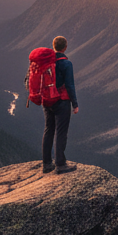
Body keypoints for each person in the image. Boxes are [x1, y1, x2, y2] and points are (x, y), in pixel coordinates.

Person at [42, 36, 79, 174]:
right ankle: (60, 164)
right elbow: (70, 85)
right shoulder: (66, 64)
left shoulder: (45, 62)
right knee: (61, 132)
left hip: (47, 100)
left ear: (53, 46)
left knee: (48, 129)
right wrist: (75, 104)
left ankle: (46, 164)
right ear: (65, 47)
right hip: (62, 102)